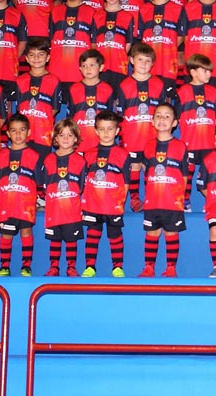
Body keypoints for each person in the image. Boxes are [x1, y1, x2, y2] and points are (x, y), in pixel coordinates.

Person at [117, 42, 177, 212]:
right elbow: (120, 113)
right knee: (134, 166)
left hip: (153, 135)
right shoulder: (124, 85)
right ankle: (135, 199)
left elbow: (165, 110)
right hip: (132, 135)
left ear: (153, 64)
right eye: (140, 59)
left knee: (152, 167)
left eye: (147, 61)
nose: (143, 64)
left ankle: (152, 199)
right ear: (131, 61)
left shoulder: (158, 84)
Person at [79, 110, 131, 278]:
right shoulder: (88, 154)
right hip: (93, 205)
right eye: (101, 129)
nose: (106, 133)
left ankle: (117, 267)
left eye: (110, 129)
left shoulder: (123, 154)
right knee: (92, 235)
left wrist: (120, 202)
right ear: (95, 130)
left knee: (115, 235)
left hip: (113, 205)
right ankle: (90, 267)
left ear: (117, 131)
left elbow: (126, 182)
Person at [142, 104, 190, 277]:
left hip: (172, 201)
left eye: (167, 116)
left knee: (171, 232)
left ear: (175, 122)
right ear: (152, 121)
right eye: (158, 116)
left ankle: (171, 268)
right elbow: (146, 173)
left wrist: (180, 197)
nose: (162, 120)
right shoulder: (147, 146)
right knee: (151, 232)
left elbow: (184, 175)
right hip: (153, 201)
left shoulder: (181, 146)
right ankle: (149, 267)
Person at [0, 113, 40, 277]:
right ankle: (4, 266)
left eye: (22, 130)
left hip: (26, 204)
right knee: (6, 234)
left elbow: (39, 181)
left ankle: (26, 266)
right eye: (13, 131)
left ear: (28, 132)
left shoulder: (34, 156)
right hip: (7, 204)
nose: (18, 134)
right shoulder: (1, 156)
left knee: (26, 232)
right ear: (7, 134)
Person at [40, 119, 86, 277]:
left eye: (70, 135)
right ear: (55, 139)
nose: (65, 138)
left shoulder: (80, 161)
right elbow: (44, 184)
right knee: (55, 240)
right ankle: (54, 267)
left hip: (72, 210)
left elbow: (81, 187)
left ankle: (71, 267)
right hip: (54, 209)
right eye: (61, 135)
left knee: (71, 241)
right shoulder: (48, 160)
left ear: (76, 139)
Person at [176, 54, 216, 207]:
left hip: (209, 142)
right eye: (205, 71)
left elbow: (215, 119)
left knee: (211, 174)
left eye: (210, 71)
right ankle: (184, 200)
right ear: (193, 72)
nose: (209, 74)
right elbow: (177, 118)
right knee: (187, 173)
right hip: (190, 141)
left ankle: (212, 202)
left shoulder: (214, 92)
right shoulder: (183, 91)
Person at [12, 37, 62, 159]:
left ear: (48, 58)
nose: (36, 58)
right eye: (32, 55)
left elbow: (54, 109)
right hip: (23, 134)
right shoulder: (20, 81)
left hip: (43, 133)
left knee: (40, 166)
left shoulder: (54, 81)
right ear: (27, 59)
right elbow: (18, 108)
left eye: (40, 55)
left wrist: (40, 116)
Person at [137, 0, 188, 86]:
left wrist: (169, 48)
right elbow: (141, 37)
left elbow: (181, 35)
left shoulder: (178, 9)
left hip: (168, 61)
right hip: (148, 61)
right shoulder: (144, 9)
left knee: (167, 98)